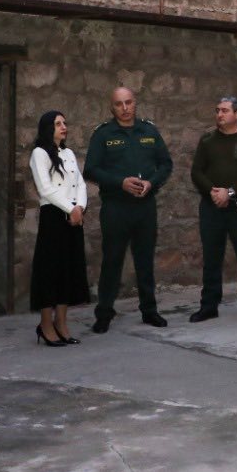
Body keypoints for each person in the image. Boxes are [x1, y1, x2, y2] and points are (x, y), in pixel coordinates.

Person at [84, 86, 173, 332]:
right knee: (112, 261)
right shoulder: (103, 134)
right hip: (116, 208)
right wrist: (120, 182)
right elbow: (91, 169)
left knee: (145, 261)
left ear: (135, 103)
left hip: (145, 207)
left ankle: (149, 311)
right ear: (112, 107)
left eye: (128, 102)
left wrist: (151, 183)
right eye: (119, 104)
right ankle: (104, 313)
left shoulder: (149, 130)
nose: (124, 108)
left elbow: (166, 164)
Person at [189, 96, 237, 322]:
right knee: (211, 258)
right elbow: (196, 171)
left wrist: (229, 192)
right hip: (211, 207)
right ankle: (209, 305)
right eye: (217, 110)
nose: (219, 114)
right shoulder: (207, 140)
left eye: (224, 110)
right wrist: (213, 192)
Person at [28, 110, 91, 346]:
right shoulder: (39, 153)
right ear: (48, 128)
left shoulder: (69, 153)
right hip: (54, 216)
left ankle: (61, 323)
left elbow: (80, 184)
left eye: (64, 123)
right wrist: (70, 209)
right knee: (49, 271)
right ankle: (45, 324)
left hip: (73, 217)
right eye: (58, 124)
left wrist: (79, 207)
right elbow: (45, 189)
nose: (64, 127)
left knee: (68, 270)